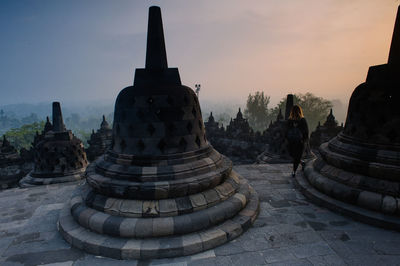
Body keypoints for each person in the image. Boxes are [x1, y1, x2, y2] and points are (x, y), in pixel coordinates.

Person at [286, 105, 309, 177]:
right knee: (295, 156)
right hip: (296, 141)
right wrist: (305, 139)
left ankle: (294, 171)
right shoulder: (290, 120)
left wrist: (286, 139)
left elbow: (286, 131)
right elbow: (306, 131)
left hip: (296, 141)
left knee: (296, 156)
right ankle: (301, 163)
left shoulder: (302, 120)